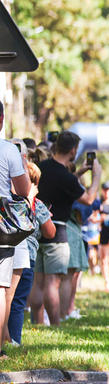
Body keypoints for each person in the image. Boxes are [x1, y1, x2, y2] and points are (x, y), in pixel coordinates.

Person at [33, 131, 100, 327]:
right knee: (53, 282)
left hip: (37, 229)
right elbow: (88, 199)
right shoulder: (66, 178)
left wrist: (79, 173)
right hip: (57, 231)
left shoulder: (42, 168)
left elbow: (62, 183)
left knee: (38, 281)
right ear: (73, 151)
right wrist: (96, 176)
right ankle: (55, 323)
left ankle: (37, 321)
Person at [7, 160, 55, 347]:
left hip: (9, 252)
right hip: (26, 255)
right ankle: (13, 339)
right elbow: (50, 232)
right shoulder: (36, 204)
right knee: (18, 300)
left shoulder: (7, 198)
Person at [0, 135, 32, 356]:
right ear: (1, 120)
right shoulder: (8, 149)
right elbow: (23, 190)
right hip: (2, 222)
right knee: (1, 288)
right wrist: (21, 162)